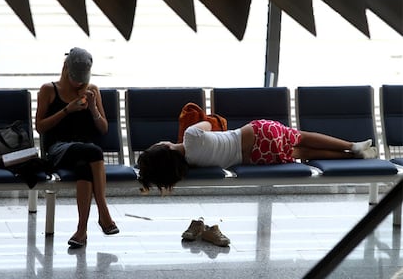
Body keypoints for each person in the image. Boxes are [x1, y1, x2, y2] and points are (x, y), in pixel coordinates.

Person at [137, 119, 377, 193]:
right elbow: (208, 123)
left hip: (256, 157)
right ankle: (351, 145)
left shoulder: (189, 165)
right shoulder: (190, 136)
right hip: (254, 134)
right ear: (166, 147)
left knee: (301, 152)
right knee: (302, 137)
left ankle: (355, 157)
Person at [36, 47, 119, 248]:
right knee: (93, 151)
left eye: (83, 78)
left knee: (84, 165)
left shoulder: (93, 90)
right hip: (58, 149)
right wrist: (67, 109)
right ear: (65, 69)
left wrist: (92, 109)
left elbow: (104, 128)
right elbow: (40, 127)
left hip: (85, 151)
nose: (80, 83)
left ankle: (81, 231)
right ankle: (103, 211)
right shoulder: (49, 90)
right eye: (76, 78)